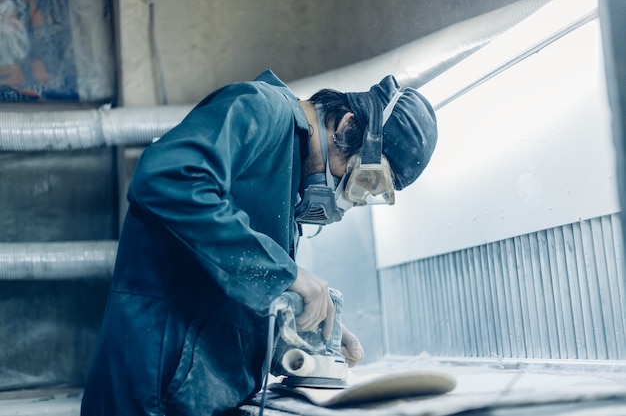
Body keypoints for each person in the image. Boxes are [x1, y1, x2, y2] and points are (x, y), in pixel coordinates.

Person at [80, 69, 437, 416]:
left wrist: (295, 322)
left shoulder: (290, 177)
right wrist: (288, 275)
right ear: (344, 126)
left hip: (194, 396)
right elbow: (167, 178)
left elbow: (225, 275)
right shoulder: (261, 109)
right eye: (363, 179)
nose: (349, 199)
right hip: (149, 392)